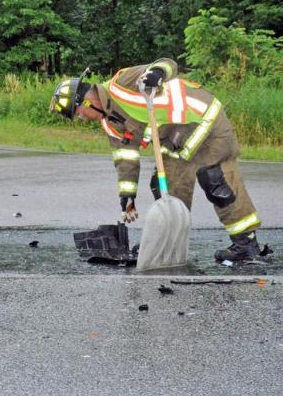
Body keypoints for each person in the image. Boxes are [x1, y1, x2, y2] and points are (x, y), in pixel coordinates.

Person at [50, 58, 266, 262]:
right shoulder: (110, 123)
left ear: (87, 101)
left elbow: (168, 63)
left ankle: (246, 244)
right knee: (165, 189)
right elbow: (126, 158)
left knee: (215, 180)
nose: (82, 118)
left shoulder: (123, 82)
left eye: (78, 113)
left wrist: (157, 73)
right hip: (177, 140)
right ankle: (169, 247)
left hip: (204, 121)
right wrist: (128, 195)